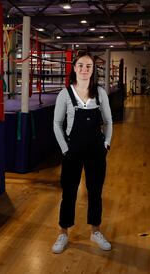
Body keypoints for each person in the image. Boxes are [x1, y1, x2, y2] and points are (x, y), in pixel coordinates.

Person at [52, 51, 113, 254]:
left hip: (96, 150)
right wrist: (65, 149)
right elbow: (57, 123)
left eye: (88, 66)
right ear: (74, 68)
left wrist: (106, 144)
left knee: (95, 193)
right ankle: (63, 232)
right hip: (73, 150)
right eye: (81, 65)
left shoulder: (100, 93)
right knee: (68, 192)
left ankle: (95, 231)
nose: (84, 69)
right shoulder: (65, 94)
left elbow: (109, 122)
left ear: (93, 70)